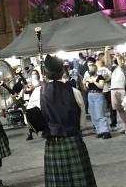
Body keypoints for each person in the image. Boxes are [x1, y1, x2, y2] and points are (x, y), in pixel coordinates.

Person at [27, 55, 96, 187]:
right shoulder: (74, 91)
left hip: (53, 143)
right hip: (74, 141)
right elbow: (82, 122)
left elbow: (30, 120)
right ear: (62, 71)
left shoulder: (38, 93)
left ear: (45, 73)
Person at [84, 63, 111, 139]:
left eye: (91, 69)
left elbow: (101, 86)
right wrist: (86, 82)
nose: (90, 71)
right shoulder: (88, 77)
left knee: (100, 113)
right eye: (89, 69)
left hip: (98, 95)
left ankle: (105, 131)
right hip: (90, 95)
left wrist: (94, 81)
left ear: (95, 70)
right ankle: (99, 131)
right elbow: (86, 88)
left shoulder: (100, 77)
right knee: (93, 114)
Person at [110, 56, 126, 134]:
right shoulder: (113, 68)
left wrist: (117, 55)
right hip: (112, 89)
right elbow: (107, 62)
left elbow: (121, 64)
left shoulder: (125, 67)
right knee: (119, 109)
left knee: (125, 108)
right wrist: (106, 51)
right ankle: (125, 125)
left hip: (121, 89)